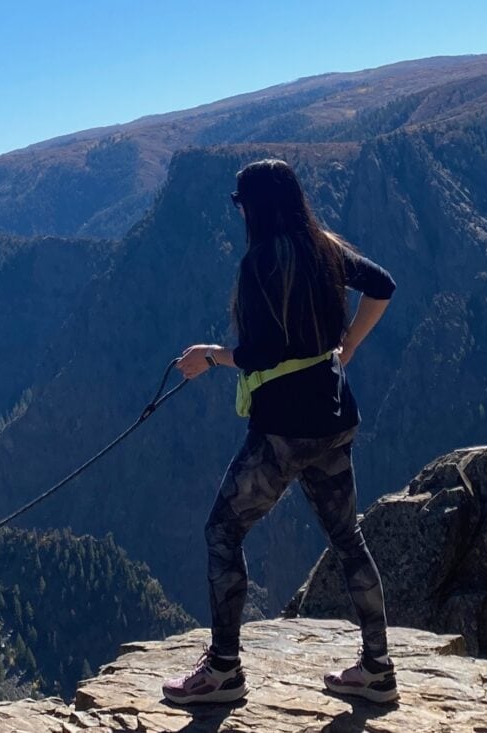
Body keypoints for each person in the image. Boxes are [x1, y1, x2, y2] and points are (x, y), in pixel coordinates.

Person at [163, 158, 397, 705]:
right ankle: (379, 668)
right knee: (348, 538)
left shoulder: (259, 263)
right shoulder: (325, 249)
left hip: (281, 433)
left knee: (222, 532)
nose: (239, 212)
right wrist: (350, 346)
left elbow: (262, 353)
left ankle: (223, 670)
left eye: (242, 203)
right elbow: (382, 285)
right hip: (335, 418)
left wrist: (208, 357)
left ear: (255, 206)